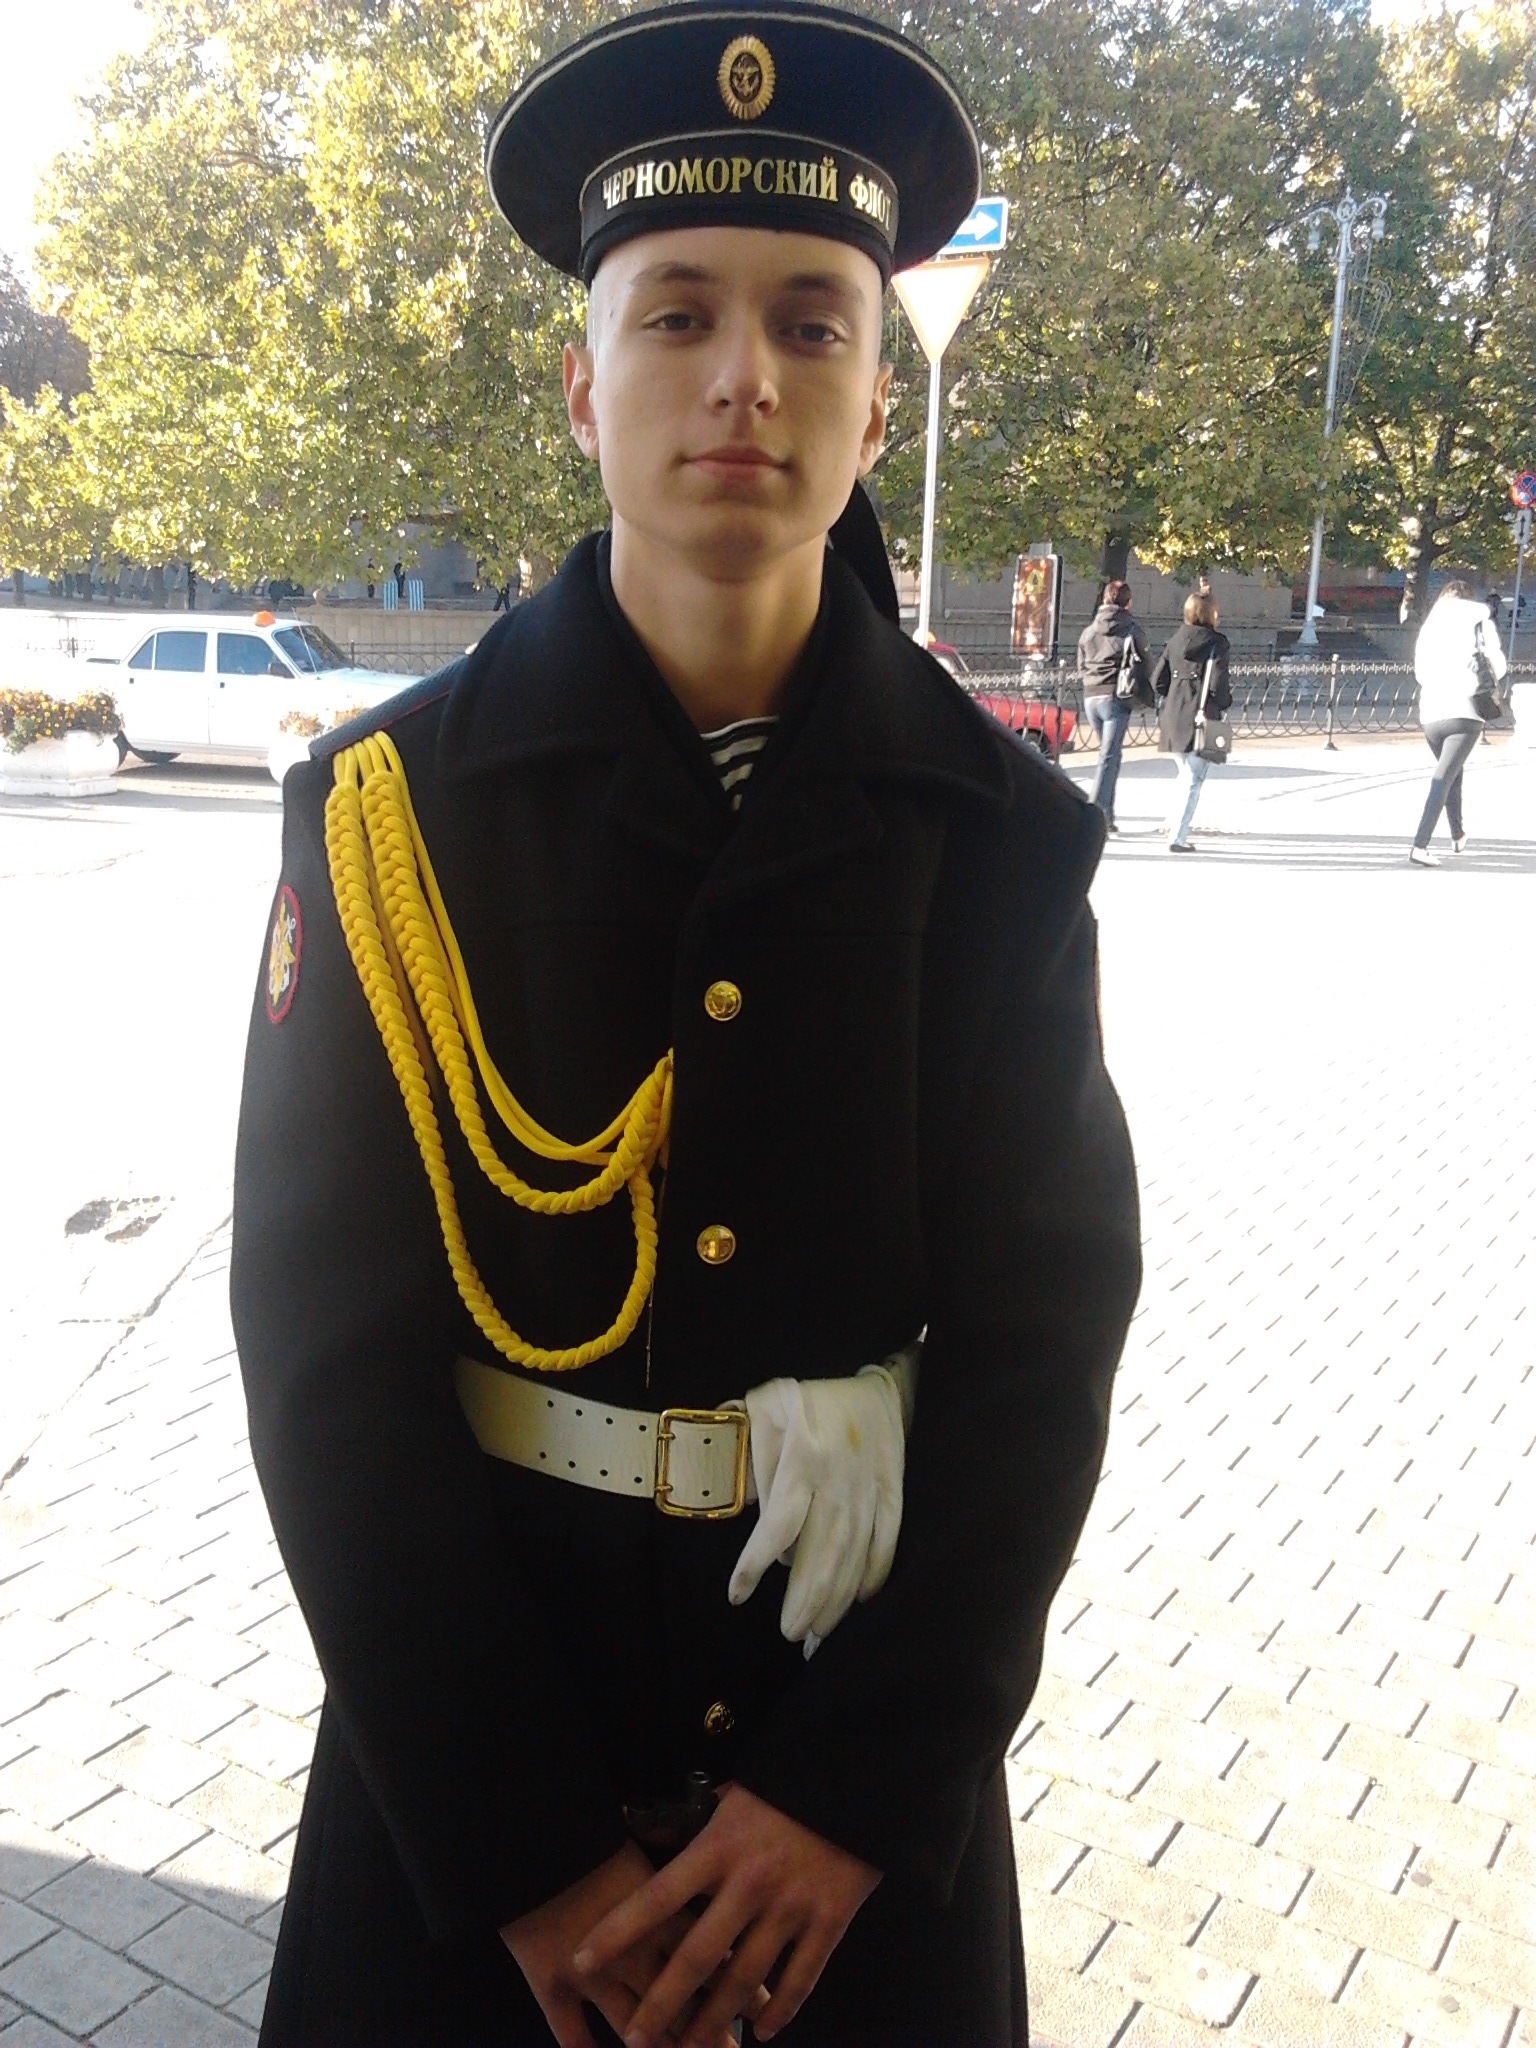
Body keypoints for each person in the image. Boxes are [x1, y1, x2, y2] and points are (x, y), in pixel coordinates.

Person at [230, 8, 1141, 2045]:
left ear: (879, 401)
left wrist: (847, 1798)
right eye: (677, 317)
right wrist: (529, 1855)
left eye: (815, 322)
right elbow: (324, 1358)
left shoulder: (999, 841)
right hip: (472, 1820)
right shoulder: (391, 816)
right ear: (582, 385)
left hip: (845, 1840)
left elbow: (1042, 1348)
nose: (748, 375)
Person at [1410, 578, 1508, 866]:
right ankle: (1420, 845)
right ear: (1469, 599)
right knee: (1443, 777)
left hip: (1431, 713)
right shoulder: (1480, 621)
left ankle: (1457, 834)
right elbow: (1498, 666)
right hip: (1465, 710)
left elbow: (1419, 672)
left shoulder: (1430, 626)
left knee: (1451, 771)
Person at [1152, 589, 1231, 852]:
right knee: (1193, 779)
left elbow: (1158, 680)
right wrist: (1223, 703)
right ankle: (1177, 836)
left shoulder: (1175, 639)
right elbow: (1218, 684)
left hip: (1174, 714)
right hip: (1201, 716)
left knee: (1184, 774)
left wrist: (1176, 694)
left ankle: (1172, 826)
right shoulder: (1217, 643)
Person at [1076, 578, 1147, 833]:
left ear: (1105, 599)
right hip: (1115, 697)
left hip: (1090, 697)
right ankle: (1093, 815)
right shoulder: (1131, 629)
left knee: (1109, 757)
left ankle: (1107, 815)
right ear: (1128, 602)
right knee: (1108, 757)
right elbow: (1143, 661)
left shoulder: (1089, 630)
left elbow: (1081, 665)